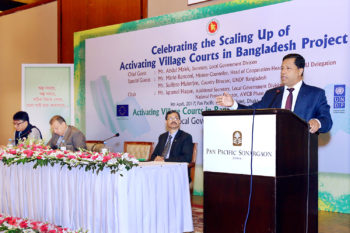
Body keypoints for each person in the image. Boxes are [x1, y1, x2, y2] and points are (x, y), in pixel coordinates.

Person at [216, 53, 332, 134]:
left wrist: (317, 122)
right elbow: (252, 111)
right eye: (282, 68)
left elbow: (327, 120)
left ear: (300, 71)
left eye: (288, 68)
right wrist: (233, 105)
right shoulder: (272, 94)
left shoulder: (316, 94)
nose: (283, 72)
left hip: (301, 152)